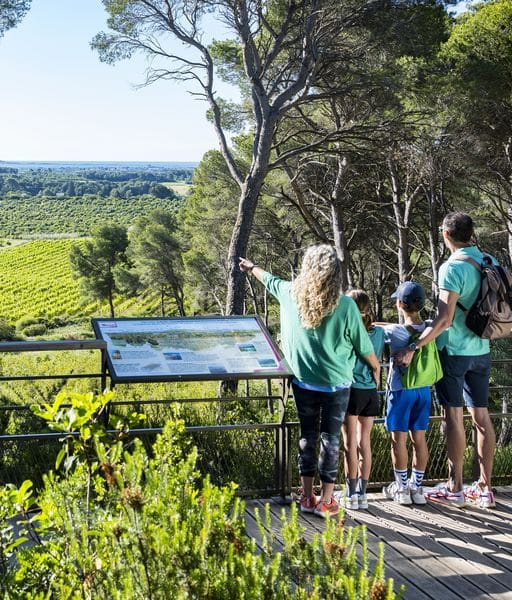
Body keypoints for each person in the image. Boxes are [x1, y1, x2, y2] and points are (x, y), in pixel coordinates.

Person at [239, 245, 381, 518]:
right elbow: (363, 346)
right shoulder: (346, 305)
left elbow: (268, 279)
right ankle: (326, 501)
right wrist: (375, 368)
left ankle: (306, 496)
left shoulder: (290, 293)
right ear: (335, 273)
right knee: (331, 441)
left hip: (302, 381)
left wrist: (250, 266)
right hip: (337, 383)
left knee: (308, 437)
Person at [394, 212, 496, 509]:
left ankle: (455, 487)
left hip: (454, 352)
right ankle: (486, 489)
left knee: (454, 417)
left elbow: (444, 318)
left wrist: (416, 345)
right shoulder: (488, 261)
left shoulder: (451, 268)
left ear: (445, 234)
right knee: (481, 417)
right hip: (483, 349)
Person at [379, 281, 432, 506]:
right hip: (424, 390)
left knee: (397, 439)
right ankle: (416, 487)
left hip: (400, 391)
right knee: (418, 438)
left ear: (400, 304)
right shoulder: (431, 327)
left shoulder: (393, 332)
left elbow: (376, 330)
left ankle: (400, 488)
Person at [341, 289, 385, 510]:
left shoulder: (348, 331)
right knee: (364, 442)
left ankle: (350, 493)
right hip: (370, 391)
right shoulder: (378, 333)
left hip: (351, 390)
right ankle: (362, 493)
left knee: (349, 444)